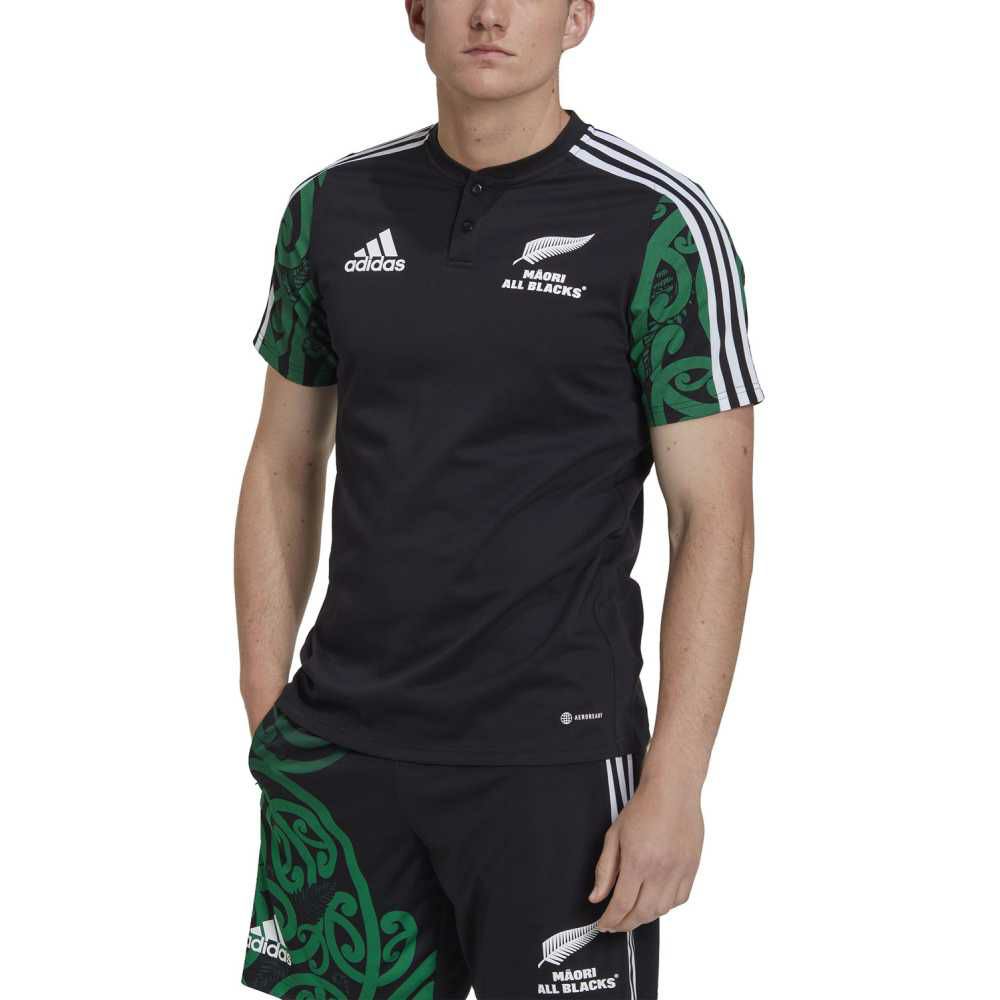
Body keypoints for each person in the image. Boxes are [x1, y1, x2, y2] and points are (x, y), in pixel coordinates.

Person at [234, 1, 763, 997]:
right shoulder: (330, 210)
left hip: (555, 766)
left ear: (576, 18)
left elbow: (713, 517)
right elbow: (282, 462)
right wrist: (267, 704)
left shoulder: (658, 225)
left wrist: (676, 783)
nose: (488, 14)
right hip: (342, 754)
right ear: (416, 14)